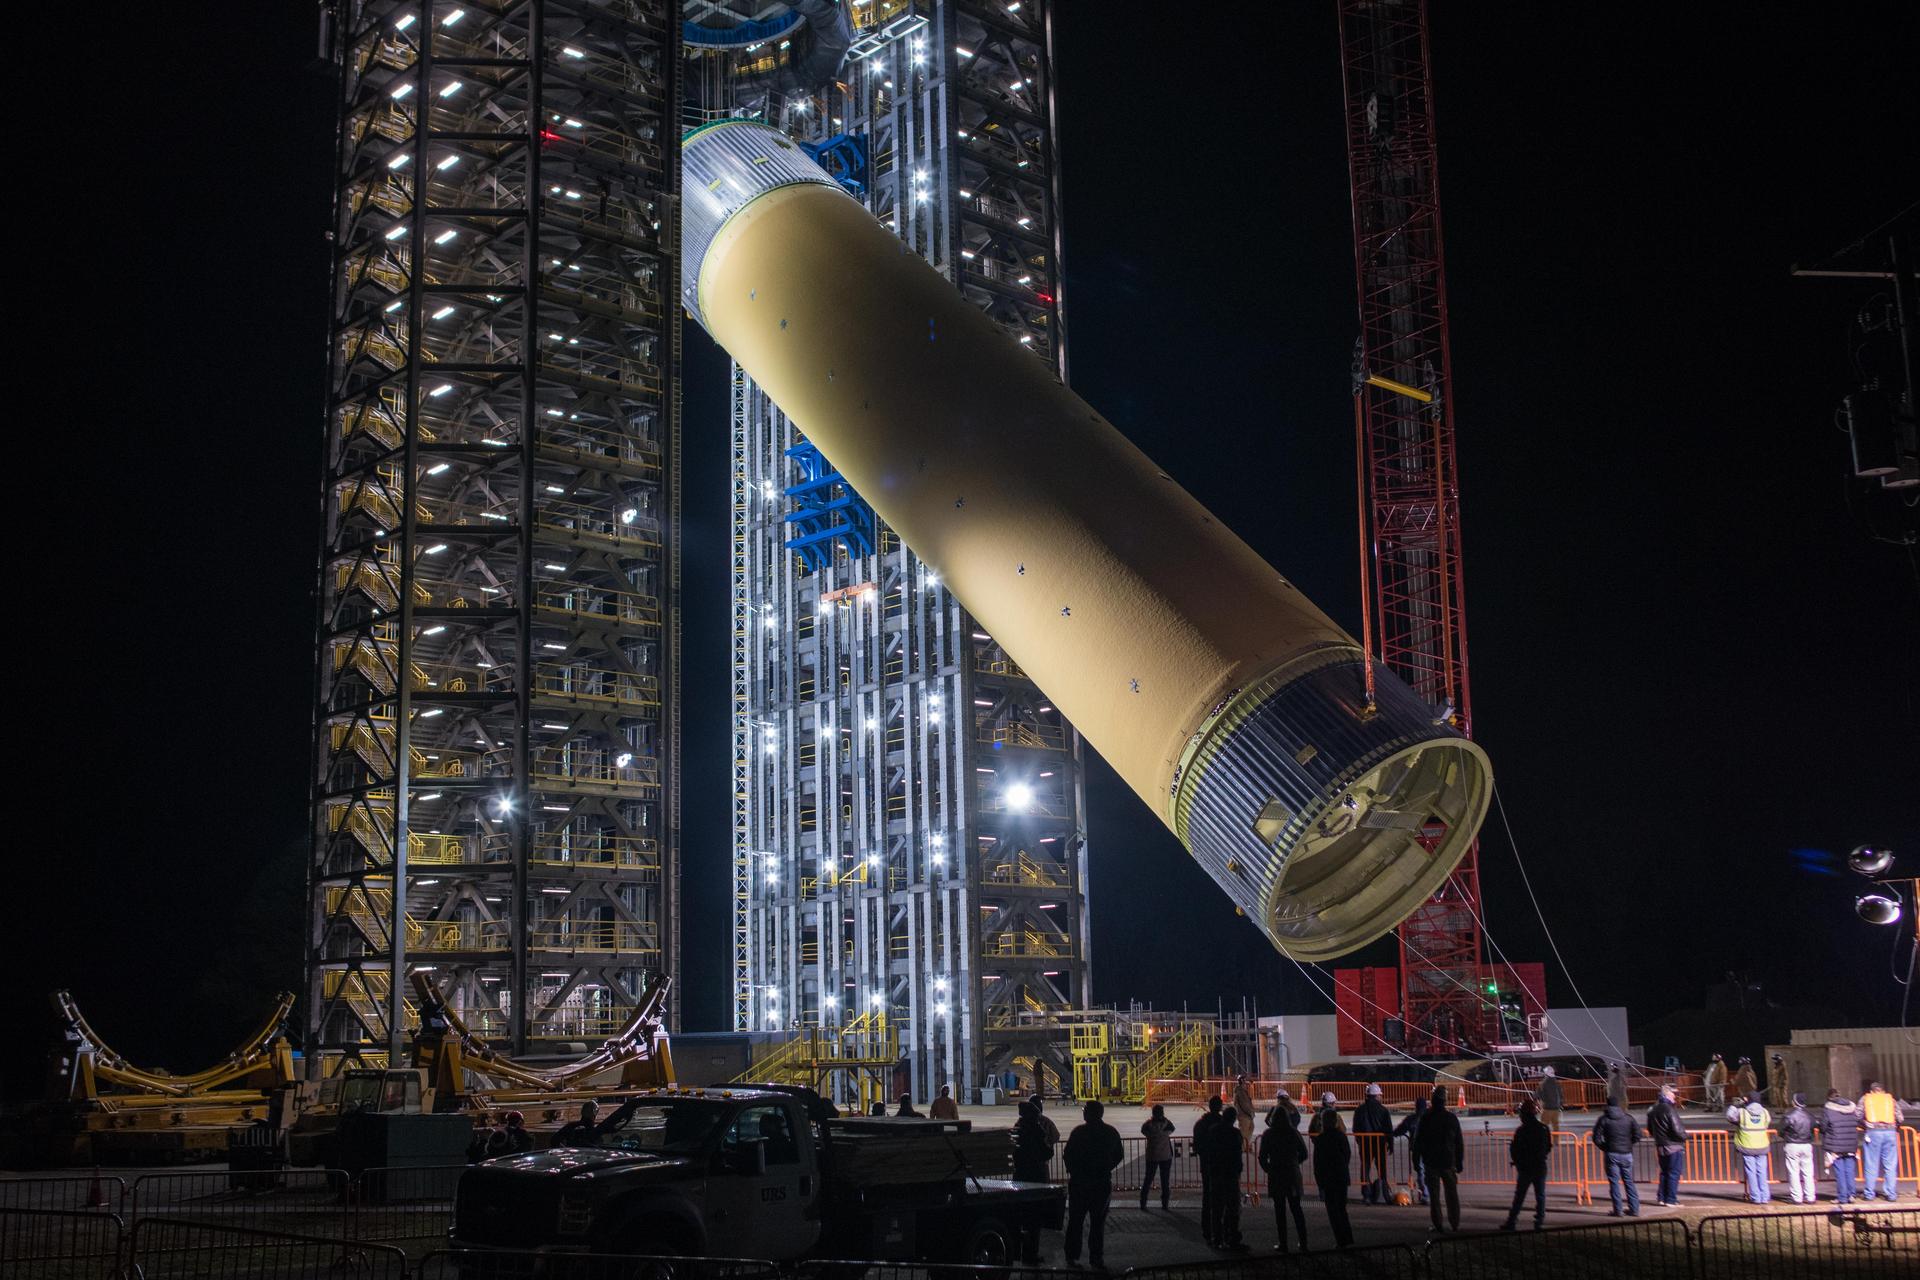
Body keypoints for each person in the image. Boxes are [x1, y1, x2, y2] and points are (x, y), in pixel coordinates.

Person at [1062, 1100, 1124, 1270]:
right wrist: (1106, 1167)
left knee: (1076, 1221)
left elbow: (1067, 1154)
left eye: (1085, 1110)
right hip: (1101, 1182)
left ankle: (1071, 1256)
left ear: (1089, 1114)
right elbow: (1119, 1154)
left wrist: (1074, 1171)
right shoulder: (1110, 1132)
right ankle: (1096, 1258)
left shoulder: (1079, 1132)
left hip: (1080, 1183)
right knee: (1098, 1223)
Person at [1258, 1105, 1309, 1253]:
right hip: (1292, 1174)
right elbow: (1304, 1153)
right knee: (1296, 1209)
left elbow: (1262, 1157)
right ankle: (1303, 1242)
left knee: (1279, 1211)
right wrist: (1294, 1163)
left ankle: (1283, 1243)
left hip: (1276, 1174)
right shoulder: (1293, 1133)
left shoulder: (1269, 1134)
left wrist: (1269, 1169)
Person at [1414, 1087, 1465, 1231]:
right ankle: (1455, 1223)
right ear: (1445, 1100)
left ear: (1433, 1099)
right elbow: (1458, 1142)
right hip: (1448, 1162)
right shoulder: (1451, 1118)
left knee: (1435, 1196)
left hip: (1431, 1162)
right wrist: (1459, 1161)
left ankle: (1438, 1224)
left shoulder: (1426, 1118)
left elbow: (1418, 1141)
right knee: (1452, 1194)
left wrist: (1416, 1160)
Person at [1500, 1099, 1553, 1231]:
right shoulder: (1543, 1128)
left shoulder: (1522, 1131)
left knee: (1519, 1196)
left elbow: (1515, 1149)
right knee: (1540, 1195)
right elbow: (1548, 1147)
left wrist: (1518, 1162)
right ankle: (1539, 1221)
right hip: (1539, 1166)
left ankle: (1512, 1221)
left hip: (1526, 1168)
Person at [1311, 1099, 1354, 1249]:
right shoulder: (1341, 1136)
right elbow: (1347, 1154)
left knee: (1333, 1210)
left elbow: (1317, 1162)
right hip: (1341, 1176)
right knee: (1342, 1209)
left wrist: (1319, 1180)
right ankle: (1348, 1237)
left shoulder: (1321, 1139)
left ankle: (1340, 1239)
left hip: (1328, 1178)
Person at [1203, 1106, 1248, 1250]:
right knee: (1232, 1207)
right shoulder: (1235, 1133)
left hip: (1216, 1172)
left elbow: (1208, 1150)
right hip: (1230, 1173)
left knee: (1217, 1208)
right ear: (1233, 1119)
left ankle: (1217, 1237)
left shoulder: (1213, 1131)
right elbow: (1237, 1153)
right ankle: (1232, 1235)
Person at [1591, 1098, 1643, 1216]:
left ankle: (1618, 1210)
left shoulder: (1603, 1119)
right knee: (1629, 1182)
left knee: (1614, 1182)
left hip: (1611, 1153)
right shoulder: (1628, 1118)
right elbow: (1638, 1135)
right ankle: (1634, 1209)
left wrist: (1605, 1147)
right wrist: (1629, 1144)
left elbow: (1596, 1138)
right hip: (1627, 1154)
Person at [1860, 1079, 1906, 1201]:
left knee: (1871, 1164)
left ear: (1871, 1091)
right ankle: (1891, 1194)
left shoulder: (1866, 1099)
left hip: (1873, 1132)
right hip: (1890, 1133)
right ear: (1883, 1091)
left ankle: (1869, 1194)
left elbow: (1857, 1115)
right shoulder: (1890, 1100)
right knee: (1890, 1165)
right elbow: (1900, 1118)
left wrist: (1865, 1124)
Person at [1816, 1088, 1863, 1206]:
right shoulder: (1851, 1108)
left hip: (1835, 1145)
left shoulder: (1828, 1109)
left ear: (1828, 1098)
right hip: (1851, 1144)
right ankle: (1851, 1195)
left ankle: (1842, 1197)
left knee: (1840, 1172)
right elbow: (1856, 1121)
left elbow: (1823, 1126)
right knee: (1849, 1171)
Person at [1725, 1091, 1772, 1204]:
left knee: (1751, 1173)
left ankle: (1755, 1197)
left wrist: (1734, 1106)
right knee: (1762, 1172)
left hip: (1747, 1146)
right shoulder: (1765, 1113)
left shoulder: (1742, 1112)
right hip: (1762, 1146)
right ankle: (1764, 1197)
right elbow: (1766, 1124)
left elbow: (1730, 1117)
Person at [1647, 1084, 1689, 1206]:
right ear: (1667, 1095)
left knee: (1664, 1172)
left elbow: (1650, 1129)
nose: (1675, 1096)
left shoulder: (1653, 1109)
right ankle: (1670, 1199)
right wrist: (1685, 1136)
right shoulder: (1670, 1109)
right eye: (1673, 1094)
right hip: (1673, 1146)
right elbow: (1677, 1130)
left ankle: (1661, 1197)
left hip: (1660, 1145)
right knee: (1673, 1173)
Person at [1194, 1095, 1227, 1246]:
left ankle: (1207, 1230)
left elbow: (1197, 1146)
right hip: (1221, 1166)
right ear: (1219, 1106)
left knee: (1207, 1198)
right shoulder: (1223, 1124)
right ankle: (1221, 1231)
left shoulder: (1200, 1123)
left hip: (1206, 1164)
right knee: (1222, 1200)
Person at [1353, 1083, 1393, 1204]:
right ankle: (1383, 1193)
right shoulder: (1383, 1110)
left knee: (1365, 1168)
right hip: (1379, 1143)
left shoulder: (1360, 1109)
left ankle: (1366, 1194)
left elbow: (1356, 1128)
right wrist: (1390, 1143)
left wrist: (1359, 1140)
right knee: (1382, 1169)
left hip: (1365, 1143)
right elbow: (1388, 1128)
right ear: (1377, 1096)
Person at [1779, 1092, 1816, 1204]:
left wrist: (1785, 1136)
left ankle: (1797, 1197)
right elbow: (1813, 1128)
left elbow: (1781, 1130)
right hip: (1807, 1144)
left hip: (1792, 1144)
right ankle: (1810, 1197)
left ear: (1794, 1102)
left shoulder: (1789, 1116)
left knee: (1794, 1172)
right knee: (1808, 1173)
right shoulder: (1810, 1115)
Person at [1393, 1095, 1430, 1203]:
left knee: (1421, 1172)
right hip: (1430, 1149)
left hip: (1417, 1148)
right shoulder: (1431, 1117)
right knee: (1429, 1171)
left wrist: (1392, 1134)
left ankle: (1426, 1194)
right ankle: (1428, 1194)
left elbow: (1401, 1129)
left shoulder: (1412, 1119)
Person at [1139, 1104, 1174, 1210]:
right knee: (1165, 1181)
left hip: (1152, 1155)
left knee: (1148, 1179)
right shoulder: (1167, 1125)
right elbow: (1172, 1128)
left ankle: (1143, 1202)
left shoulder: (1148, 1125)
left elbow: (1143, 1130)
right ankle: (1165, 1204)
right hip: (1165, 1155)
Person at [1233, 1073, 1257, 1152]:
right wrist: (1250, 1112)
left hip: (1247, 1114)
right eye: (1245, 1081)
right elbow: (1244, 1104)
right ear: (1242, 1082)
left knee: (1250, 1128)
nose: (1246, 1083)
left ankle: (1246, 1145)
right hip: (1244, 1115)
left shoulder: (1243, 1091)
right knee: (1244, 1131)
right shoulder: (1240, 1092)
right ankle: (1243, 1147)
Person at [1537, 1067, 1564, 1133]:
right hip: (1556, 1108)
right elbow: (1561, 1095)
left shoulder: (1543, 1084)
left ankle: (1544, 1141)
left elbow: (1540, 1095)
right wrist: (1560, 1104)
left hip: (1547, 1108)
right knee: (1556, 1126)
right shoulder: (1557, 1083)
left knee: (1544, 1126)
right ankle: (1556, 1142)